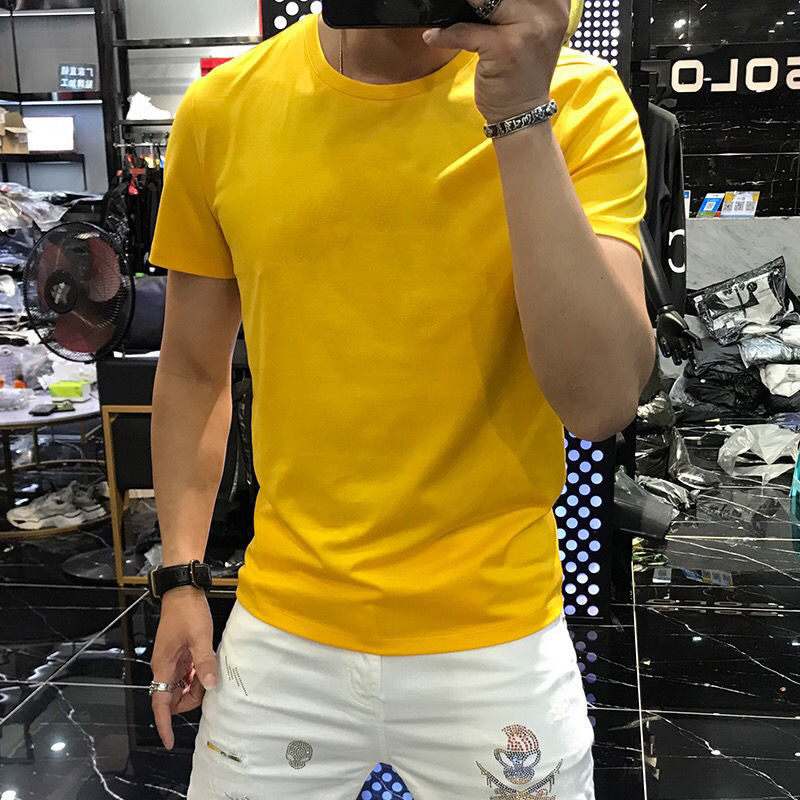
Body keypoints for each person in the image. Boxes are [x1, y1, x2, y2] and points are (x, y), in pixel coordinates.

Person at [147, 0, 656, 796]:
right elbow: (190, 369)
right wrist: (181, 576)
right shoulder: (223, 110)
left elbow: (601, 402)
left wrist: (521, 116)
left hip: (497, 632)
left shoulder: (575, 99)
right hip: (285, 624)